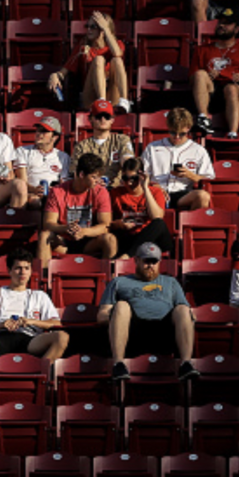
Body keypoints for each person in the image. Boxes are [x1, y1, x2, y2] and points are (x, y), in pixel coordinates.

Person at [100, 242, 198, 382]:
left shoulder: (171, 282)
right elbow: (102, 314)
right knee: (121, 305)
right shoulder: (119, 282)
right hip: (132, 331)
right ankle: (118, 364)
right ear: (136, 260)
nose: (150, 266)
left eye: (154, 262)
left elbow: (188, 313)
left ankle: (186, 364)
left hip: (165, 330)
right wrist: (116, 315)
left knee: (183, 309)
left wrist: (190, 315)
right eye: (146, 261)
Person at [0, 248, 68, 361]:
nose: (23, 272)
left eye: (26, 268)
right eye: (18, 268)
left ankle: (42, 370)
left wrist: (31, 321)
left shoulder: (40, 295)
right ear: (9, 270)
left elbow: (56, 323)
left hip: (30, 338)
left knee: (62, 337)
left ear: (31, 271)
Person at [190, 9, 239, 137]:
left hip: (236, 89)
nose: (221, 25)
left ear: (236, 29)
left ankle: (232, 132)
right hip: (211, 91)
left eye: (227, 23)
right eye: (220, 22)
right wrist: (207, 75)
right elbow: (192, 80)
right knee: (200, 74)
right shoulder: (202, 49)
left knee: (231, 89)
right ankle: (204, 118)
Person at [39, 152, 118, 263]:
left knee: (110, 239)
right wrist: (66, 228)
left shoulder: (101, 191)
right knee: (44, 236)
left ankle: (109, 276)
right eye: (94, 177)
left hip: (89, 239)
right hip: (64, 240)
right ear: (81, 174)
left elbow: (106, 225)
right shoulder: (58, 192)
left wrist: (84, 231)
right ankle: (44, 275)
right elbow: (48, 223)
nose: (97, 181)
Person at [48, 11, 131, 112]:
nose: (88, 30)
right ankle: (102, 102)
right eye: (87, 26)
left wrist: (106, 28)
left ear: (103, 29)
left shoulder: (117, 44)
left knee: (117, 60)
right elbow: (63, 72)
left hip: (112, 93)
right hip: (91, 97)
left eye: (93, 27)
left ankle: (124, 101)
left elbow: (117, 53)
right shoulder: (83, 47)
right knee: (99, 60)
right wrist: (54, 75)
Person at [141, 107, 214, 211]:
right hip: (156, 191)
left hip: (182, 193)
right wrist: (153, 185)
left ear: (189, 128)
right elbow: (142, 174)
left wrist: (189, 175)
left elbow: (209, 180)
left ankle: (192, 225)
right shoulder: (152, 147)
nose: (177, 137)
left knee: (203, 196)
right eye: (173, 133)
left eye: (182, 134)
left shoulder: (198, 150)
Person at [108, 157, 173, 258]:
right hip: (129, 237)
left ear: (142, 176)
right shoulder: (115, 193)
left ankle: (127, 256)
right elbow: (108, 223)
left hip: (151, 238)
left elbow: (157, 216)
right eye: (125, 178)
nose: (129, 183)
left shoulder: (155, 192)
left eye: (134, 179)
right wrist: (120, 224)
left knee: (159, 224)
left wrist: (145, 188)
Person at [70, 99, 135, 187]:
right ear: (91, 119)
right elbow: (75, 172)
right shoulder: (82, 146)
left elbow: (128, 162)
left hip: (116, 189)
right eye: (98, 116)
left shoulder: (121, 140)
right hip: (90, 190)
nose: (103, 119)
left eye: (107, 116)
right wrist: (94, 180)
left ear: (112, 119)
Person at [13, 115, 71, 210]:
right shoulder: (23, 151)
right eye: (38, 130)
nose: (39, 134)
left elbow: (64, 182)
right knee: (34, 201)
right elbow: (22, 181)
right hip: (30, 194)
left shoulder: (63, 157)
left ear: (55, 137)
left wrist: (55, 190)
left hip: (54, 194)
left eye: (44, 131)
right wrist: (35, 190)